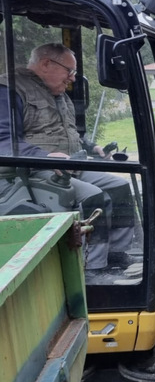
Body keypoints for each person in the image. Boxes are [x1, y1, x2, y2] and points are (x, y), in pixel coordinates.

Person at [0, 43, 137, 275]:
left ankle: (116, 254)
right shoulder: (9, 90)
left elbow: (67, 131)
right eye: (69, 71)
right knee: (94, 197)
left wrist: (92, 146)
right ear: (46, 64)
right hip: (32, 171)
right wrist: (44, 157)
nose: (72, 78)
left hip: (68, 166)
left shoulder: (56, 91)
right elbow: (3, 141)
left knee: (120, 187)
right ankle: (93, 269)